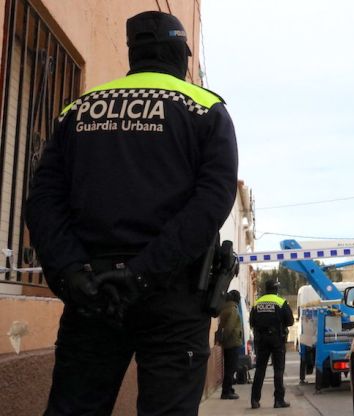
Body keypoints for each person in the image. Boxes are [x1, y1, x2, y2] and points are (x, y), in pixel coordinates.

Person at [24, 10, 238, 416]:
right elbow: (211, 204)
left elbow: (43, 201)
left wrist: (71, 273)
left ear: (132, 54)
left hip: (91, 294)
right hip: (173, 295)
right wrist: (142, 273)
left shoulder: (77, 111)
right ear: (182, 55)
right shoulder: (205, 110)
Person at [249, 280, 294, 409]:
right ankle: (278, 400)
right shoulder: (281, 302)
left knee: (260, 370)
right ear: (276, 289)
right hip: (277, 339)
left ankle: (254, 400)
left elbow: (251, 321)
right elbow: (290, 321)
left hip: (261, 339)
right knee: (278, 370)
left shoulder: (257, 303)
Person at [218, 290, 243, 400]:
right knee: (231, 368)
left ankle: (228, 388)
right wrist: (225, 338)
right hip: (232, 342)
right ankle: (226, 391)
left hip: (228, 343)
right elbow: (229, 327)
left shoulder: (225, 308)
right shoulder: (233, 309)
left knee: (229, 367)